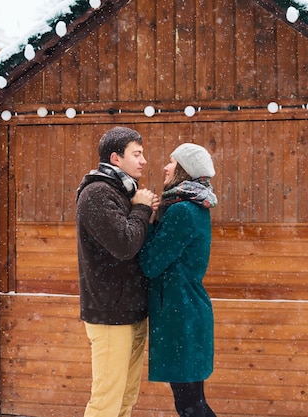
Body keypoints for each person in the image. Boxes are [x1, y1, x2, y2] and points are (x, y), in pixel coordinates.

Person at [76, 126, 158, 417]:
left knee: (125, 396)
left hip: (131, 310)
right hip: (110, 313)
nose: (144, 160)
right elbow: (124, 245)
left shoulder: (124, 193)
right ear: (115, 158)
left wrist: (144, 211)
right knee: (106, 402)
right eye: (137, 154)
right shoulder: (97, 193)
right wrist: (141, 211)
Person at [139, 143, 218, 417]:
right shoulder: (191, 206)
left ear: (184, 170)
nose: (165, 166)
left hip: (181, 316)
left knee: (190, 405)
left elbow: (150, 264)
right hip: (186, 312)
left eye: (171, 162)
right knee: (192, 403)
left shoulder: (182, 211)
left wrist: (146, 220)